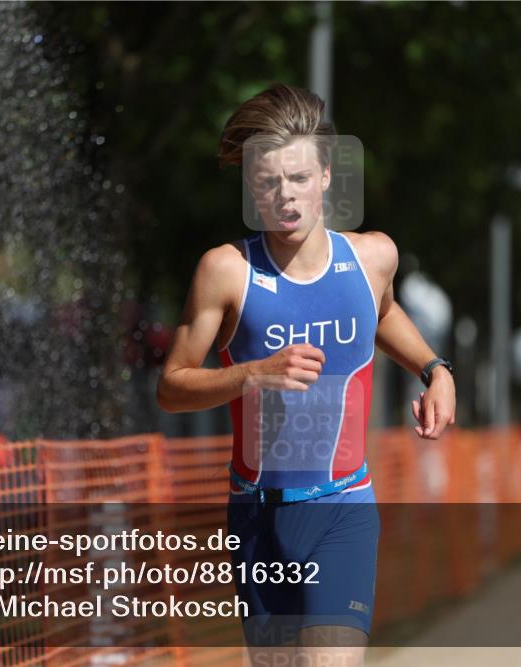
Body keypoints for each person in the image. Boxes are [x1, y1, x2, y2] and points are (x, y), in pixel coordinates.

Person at [156, 83, 456, 666]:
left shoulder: (373, 259)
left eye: (297, 178)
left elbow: (384, 314)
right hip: (257, 515)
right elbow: (171, 386)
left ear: (325, 176)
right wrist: (254, 374)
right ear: (251, 188)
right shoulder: (226, 272)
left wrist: (434, 368)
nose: (285, 197)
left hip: (343, 507)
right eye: (268, 182)